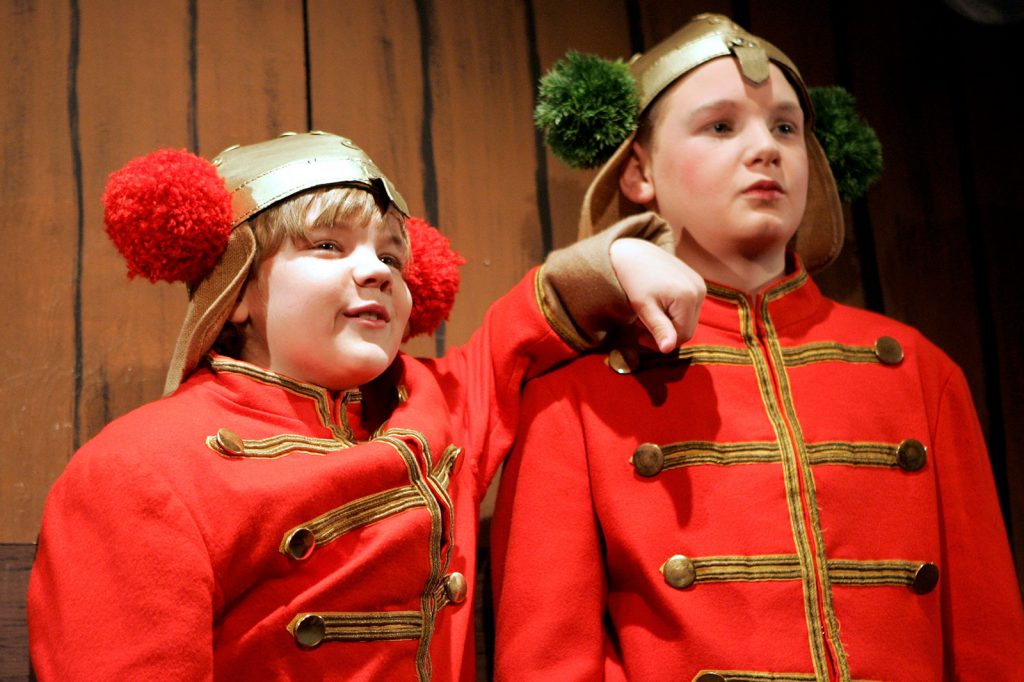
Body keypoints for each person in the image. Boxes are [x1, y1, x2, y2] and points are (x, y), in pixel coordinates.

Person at [27, 131, 705, 680]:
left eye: (392, 255)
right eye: (326, 246)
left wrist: (620, 262)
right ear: (236, 294)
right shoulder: (139, 469)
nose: (379, 270)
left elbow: (533, 320)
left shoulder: (433, 408)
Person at [490, 13, 1024, 681]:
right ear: (638, 172)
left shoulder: (920, 371)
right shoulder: (572, 396)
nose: (765, 148)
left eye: (785, 128)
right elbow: (550, 662)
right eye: (720, 125)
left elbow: (988, 643)